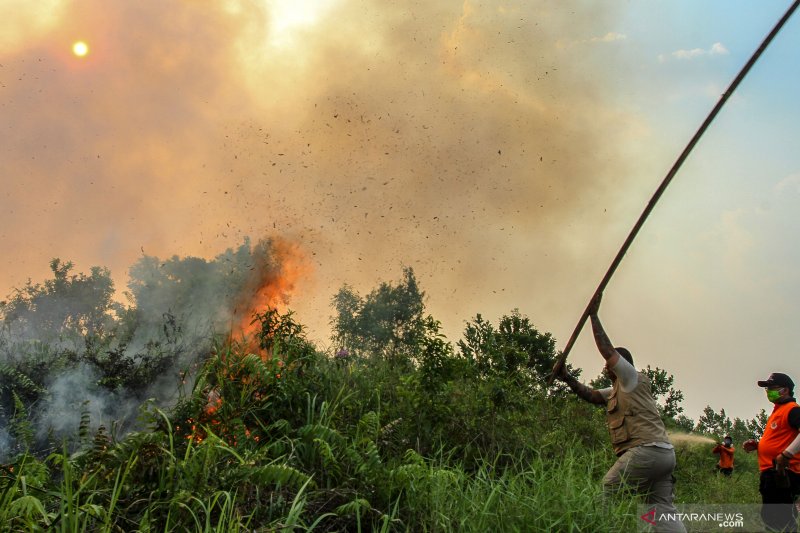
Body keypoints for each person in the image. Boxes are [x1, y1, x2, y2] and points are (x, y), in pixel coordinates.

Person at [555, 292, 685, 532]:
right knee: (661, 512)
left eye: (610, 364)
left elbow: (607, 351)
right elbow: (592, 395)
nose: (605, 367)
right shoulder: (617, 389)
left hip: (647, 452)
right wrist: (566, 378)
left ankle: (598, 528)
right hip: (663, 455)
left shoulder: (630, 378)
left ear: (622, 364)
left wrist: (594, 316)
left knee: (607, 490)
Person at [743, 372, 800, 532]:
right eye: (767, 389)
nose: (768, 392)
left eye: (772, 388)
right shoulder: (778, 411)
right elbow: (781, 440)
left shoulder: (792, 409)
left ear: (785, 390)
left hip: (783, 473)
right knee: (774, 518)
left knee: (779, 521)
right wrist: (759, 445)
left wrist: (786, 455)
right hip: (772, 473)